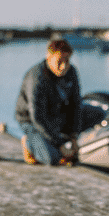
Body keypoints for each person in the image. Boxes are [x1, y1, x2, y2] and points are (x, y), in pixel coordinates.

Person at [15, 38, 81, 166]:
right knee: (52, 158)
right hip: (32, 121)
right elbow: (37, 118)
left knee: (92, 113)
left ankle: (64, 143)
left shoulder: (71, 71)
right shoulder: (36, 77)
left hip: (55, 115)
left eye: (67, 61)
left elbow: (76, 105)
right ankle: (29, 143)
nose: (63, 66)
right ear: (48, 57)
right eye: (59, 62)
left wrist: (74, 136)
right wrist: (61, 145)